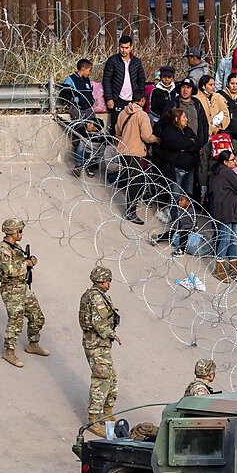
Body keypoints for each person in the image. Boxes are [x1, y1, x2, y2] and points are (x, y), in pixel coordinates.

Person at [0, 218, 47, 368]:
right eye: (20, 231)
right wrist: (27, 263)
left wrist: (30, 260)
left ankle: (33, 344)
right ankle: (9, 351)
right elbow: (10, 270)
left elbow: (22, 263)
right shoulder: (2, 250)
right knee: (16, 320)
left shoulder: (16, 247)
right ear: (12, 232)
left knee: (37, 316)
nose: (21, 234)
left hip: (23, 288)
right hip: (10, 289)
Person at [78, 264, 121, 436]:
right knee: (101, 379)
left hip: (100, 343)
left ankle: (107, 412)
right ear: (103, 281)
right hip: (96, 343)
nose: (110, 283)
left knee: (111, 376)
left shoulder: (96, 295)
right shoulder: (96, 298)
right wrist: (112, 334)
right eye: (109, 280)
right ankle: (93, 419)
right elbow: (98, 322)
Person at [112, 100, 157, 224]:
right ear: (142, 99)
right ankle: (131, 212)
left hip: (123, 151)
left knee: (130, 179)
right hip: (135, 153)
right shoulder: (142, 115)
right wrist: (157, 139)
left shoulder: (122, 112)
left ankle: (130, 208)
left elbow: (117, 131)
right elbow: (147, 136)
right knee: (135, 183)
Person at [208, 150, 237, 272]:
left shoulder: (217, 171)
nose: (235, 163)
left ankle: (232, 268)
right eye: (232, 160)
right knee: (227, 238)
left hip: (227, 209)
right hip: (228, 209)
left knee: (232, 239)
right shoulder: (227, 172)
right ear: (225, 162)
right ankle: (219, 268)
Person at [101, 35, 145, 134]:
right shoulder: (113, 60)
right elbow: (106, 80)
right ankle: (114, 148)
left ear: (131, 47)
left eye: (126, 48)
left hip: (133, 99)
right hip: (117, 99)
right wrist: (109, 98)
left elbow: (141, 80)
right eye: (122, 47)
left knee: (133, 127)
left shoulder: (136, 62)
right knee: (116, 126)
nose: (124, 50)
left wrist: (140, 96)